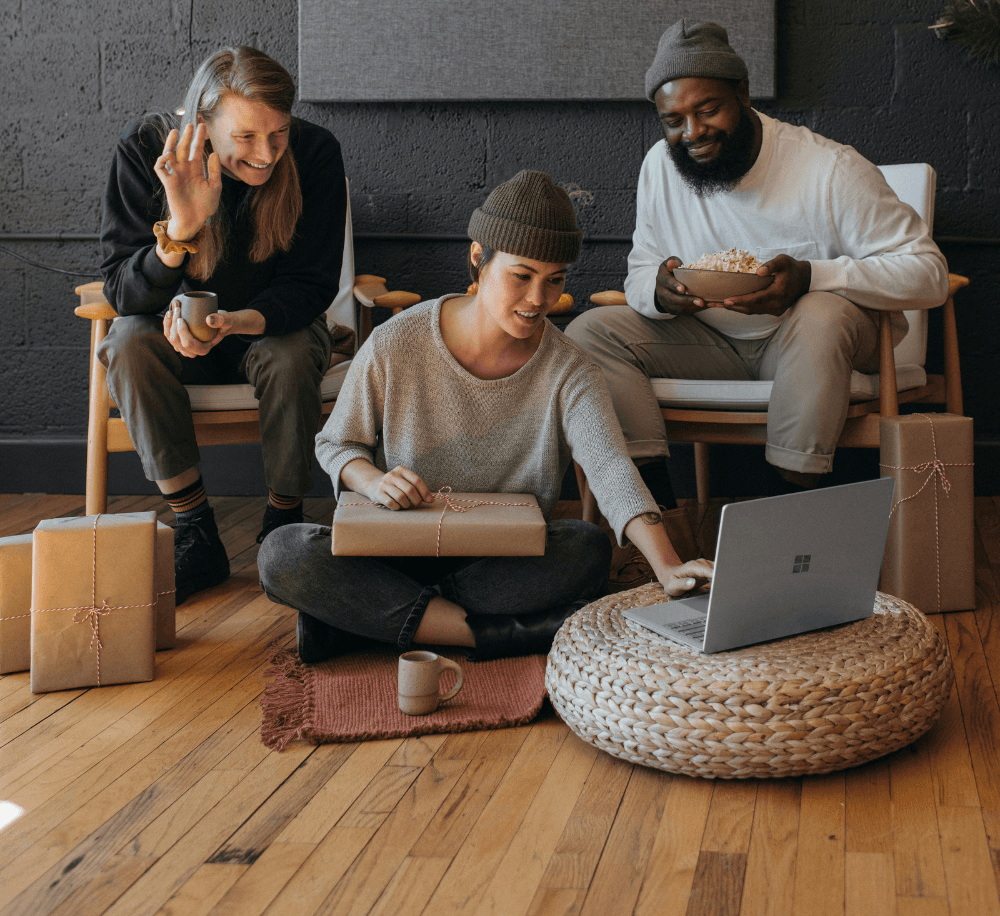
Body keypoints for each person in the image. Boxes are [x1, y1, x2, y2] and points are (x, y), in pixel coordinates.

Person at [258, 171, 712, 663]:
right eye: (522, 276)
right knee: (283, 553)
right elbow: (335, 443)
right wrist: (372, 482)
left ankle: (362, 627)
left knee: (584, 548)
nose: (539, 299)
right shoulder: (397, 341)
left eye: (554, 279)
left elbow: (609, 467)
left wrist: (667, 566)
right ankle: (493, 636)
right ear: (479, 258)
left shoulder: (570, 369)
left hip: (500, 563)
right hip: (393, 553)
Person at [566, 19, 950, 488]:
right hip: (712, 342)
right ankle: (658, 515)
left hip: (820, 343)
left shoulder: (829, 169)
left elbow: (928, 273)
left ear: (743, 93)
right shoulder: (659, 167)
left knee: (822, 313)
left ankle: (793, 501)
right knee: (590, 331)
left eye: (708, 110)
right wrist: (659, 291)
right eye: (673, 121)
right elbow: (642, 267)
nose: (693, 132)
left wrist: (811, 277)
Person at [99, 46, 347, 603]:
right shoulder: (144, 152)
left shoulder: (315, 154)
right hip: (175, 332)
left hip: (268, 327)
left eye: (278, 132)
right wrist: (183, 227)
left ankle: (283, 521)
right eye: (246, 138)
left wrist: (243, 320)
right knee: (128, 345)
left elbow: (311, 283)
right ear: (203, 123)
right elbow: (121, 289)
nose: (266, 154)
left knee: (289, 353)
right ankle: (195, 530)